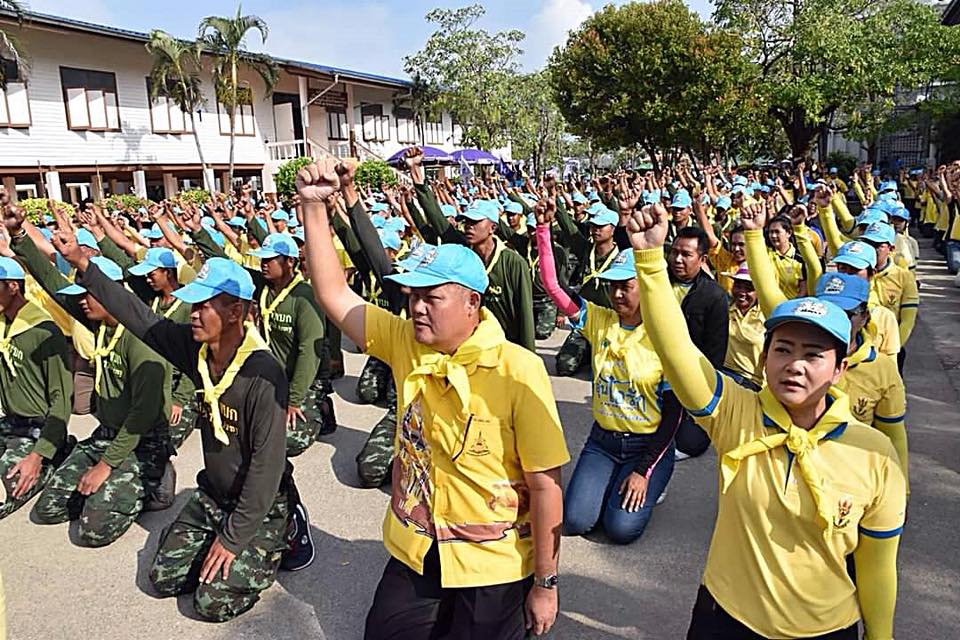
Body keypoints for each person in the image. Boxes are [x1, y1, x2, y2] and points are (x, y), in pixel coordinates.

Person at [298, 158, 569, 639]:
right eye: (412, 295)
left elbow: (546, 486)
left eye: (432, 296)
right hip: (420, 544)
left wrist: (546, 583)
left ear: (472, 304)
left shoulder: (518, 370)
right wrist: (314, 207)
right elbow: (335, 294)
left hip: (494, 561)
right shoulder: (406, 341)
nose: (417, 307)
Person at [628, 201, 905, 640]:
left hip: (825, 629)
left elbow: (877, 566)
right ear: (764, 357)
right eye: (783, 349)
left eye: (814, 354)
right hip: (726, 617)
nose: (795, 364)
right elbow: (679, 353)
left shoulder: (874, 454)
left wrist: (881, 635)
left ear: (840, 369)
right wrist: (649, 260)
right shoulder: (738, 413)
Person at [60, 246, 292, 622]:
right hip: (214, 495)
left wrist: (233, 538)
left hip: (259, 502)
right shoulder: (195, 349)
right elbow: (139, 317)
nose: (193, 313)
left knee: (210, 603)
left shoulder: (263, 375)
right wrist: (84, 266)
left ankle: (283, 534)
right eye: (192, 305)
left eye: (204, 306)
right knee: (163, 578)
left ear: (235, 312)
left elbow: (266, 469)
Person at [7, 210, 172, 546]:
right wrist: (20, 237)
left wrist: (107, 467)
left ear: (111, 294)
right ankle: (111, 488)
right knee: (49, 509)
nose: (80, 301)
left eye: (88, 294)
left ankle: (155, 479)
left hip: (142, 443)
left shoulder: (142, 340)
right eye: (79, 295)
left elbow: (141, 417)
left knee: (93, 529)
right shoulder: (97, 325)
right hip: (105, 435)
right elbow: (54, 287)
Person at [534, 198, 678, 544]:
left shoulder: (666, 335)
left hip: (647, 446)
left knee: (620, 529)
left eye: (625, 286)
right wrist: (542, 229)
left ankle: (652, 481)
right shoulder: (600, 320)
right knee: (577, 521)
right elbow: (554, 287)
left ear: (645, 287)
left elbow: (674, 417)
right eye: (612, 285)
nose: (616, 294)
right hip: (603, 441)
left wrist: (644, 471)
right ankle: (612, 482)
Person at [405, 147, 537, 351]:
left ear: (493, 227)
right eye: (466, 221)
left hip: (502, 347)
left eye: (475, 222)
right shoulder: (461, 251)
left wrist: (528, 359)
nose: (468, 226)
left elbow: (525, 316)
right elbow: (437, 219)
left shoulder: (513, 263)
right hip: (467, 346)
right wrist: (416, 172)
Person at [0, 256, 73, 519]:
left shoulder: (44, 332)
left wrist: (38, 454)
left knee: (8, 488)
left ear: (13, 287)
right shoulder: (3, 325)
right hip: (11, 422)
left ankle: (54, 456)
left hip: (38, 427)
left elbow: (62, 400)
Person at [667, 226, 730, 459]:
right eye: (674, 252)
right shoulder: (658, 283)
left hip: (690, 376)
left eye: (686, 254)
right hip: (652, 368)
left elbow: (715, 353)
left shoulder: (714, 296)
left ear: (702, 259)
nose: (677, 259)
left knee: (690, 443)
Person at [723, 266, 765, 390]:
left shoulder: (765, 316)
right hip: (723, 373)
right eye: (738, 286)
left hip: (752, 381)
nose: (742, 293)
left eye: (748, 289)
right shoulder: (725, 309)